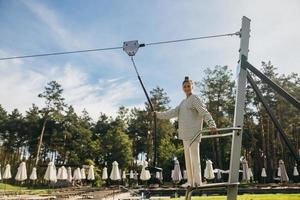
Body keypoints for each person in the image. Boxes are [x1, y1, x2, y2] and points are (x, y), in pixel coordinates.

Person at [154, 76, 217, 187]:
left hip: (194, 134)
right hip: (185, 135)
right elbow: (171, 113)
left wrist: (212, 124)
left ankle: (197, 182)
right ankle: (191, 182)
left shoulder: (194, 98)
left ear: (192, 86)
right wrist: (157, 114)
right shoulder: (183, 103)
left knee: (194, 159)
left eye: (188, 86)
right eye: (184, 87)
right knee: (188, 161)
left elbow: (204, 112)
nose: (187, 88)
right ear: (182, 88)